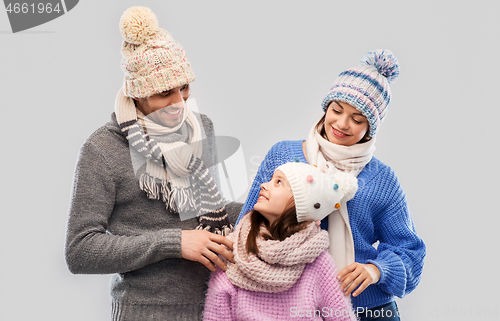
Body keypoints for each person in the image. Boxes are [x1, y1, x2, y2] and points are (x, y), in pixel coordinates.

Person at [65, 6, 242, 321]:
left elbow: (203, 211)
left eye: (184, 87)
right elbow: (80, 251)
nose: (179, 103)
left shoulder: (202, 127)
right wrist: (173, 243)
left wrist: (267, 205)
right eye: (164, 93)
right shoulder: (102, 149)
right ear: (138, 94)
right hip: (144, 313)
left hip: (215, 305)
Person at [236, 50, 426, 320]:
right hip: (294, 307)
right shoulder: (283, 155)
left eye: (358, 119)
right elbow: (247, 225)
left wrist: (376, 270)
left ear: (371, 129)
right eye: (337, 110)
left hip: (369, 310)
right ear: (326, 107)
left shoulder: (382, 179)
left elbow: (410, 252)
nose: (342, 123)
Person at [204, 162, 359, 321]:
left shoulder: (318, 262)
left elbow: (342, 317)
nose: (264, 185)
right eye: (270, 180)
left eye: (278, 182)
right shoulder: (234, 250)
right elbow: (215, 316)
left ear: (301, 202)